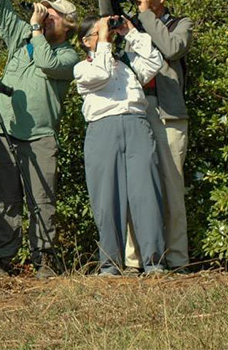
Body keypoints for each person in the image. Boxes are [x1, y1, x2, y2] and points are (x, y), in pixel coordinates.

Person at [0, 0, 79, 279]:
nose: (47, 16)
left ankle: (44, 259)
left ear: (69, 25)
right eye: (46, 12)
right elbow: (2, 10)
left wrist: (35, 30)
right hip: (4, 131)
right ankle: (2, 261)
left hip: (40, 137)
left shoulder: (69, 56)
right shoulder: (21, 37)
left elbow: (46, 62)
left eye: (54, 15)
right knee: (4, 199)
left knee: (42, 200)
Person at [92, 0, 193, 272]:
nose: (140, 0)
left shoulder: (180, 24)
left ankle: (176, 259)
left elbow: (171, 49)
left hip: (169, 115)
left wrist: (145, 17)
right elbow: (109, 15)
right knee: (139, 188)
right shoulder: (133, 24)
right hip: (136, 111)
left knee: (172, 189)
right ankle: (136, 259)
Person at [74, 14, 166, 276]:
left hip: (136, 124)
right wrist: (103, 39)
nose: (107, 34)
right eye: (98, 32)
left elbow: (154, 61)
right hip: (102, 129)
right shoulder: (82, 68)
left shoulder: (127, 64)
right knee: (106, 198)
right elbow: (101, 74)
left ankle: (154, 262)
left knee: (146, 194)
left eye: (107, 31)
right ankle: (110, 265)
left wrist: (130, 32)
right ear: (85, 41)